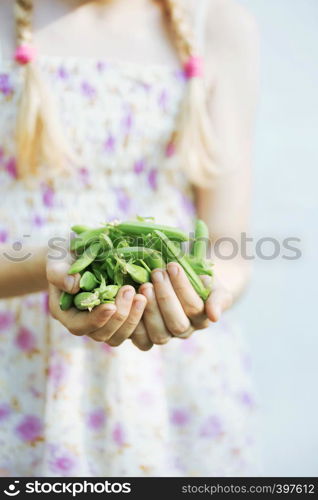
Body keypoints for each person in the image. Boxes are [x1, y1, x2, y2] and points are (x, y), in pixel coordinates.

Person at [0, 0, 260, 476]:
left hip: (171, 375)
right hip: (14, 365)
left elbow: (227, 246)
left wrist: (200, 294)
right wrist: (47, 264)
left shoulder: (217, 25)